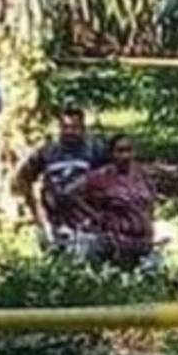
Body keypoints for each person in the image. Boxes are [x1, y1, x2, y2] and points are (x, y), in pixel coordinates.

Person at [11, 104, 108, 245]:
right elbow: (23, 178)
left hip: (87, 221)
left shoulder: (96, 150)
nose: (69, 132)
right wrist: (36, 210)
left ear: (83, 128)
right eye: (65, 127)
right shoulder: (47, 152)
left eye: (74, 127)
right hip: (53, 221)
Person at [64, 134, 160, 267]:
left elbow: (151, 198)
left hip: (144, 242)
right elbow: (71, 192)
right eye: (120, 151)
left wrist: (149, 220)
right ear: (111, 154)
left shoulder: (142, 174)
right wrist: (94, 215)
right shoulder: (102, 176)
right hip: (116, 242)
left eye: (129, 150)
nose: (125, 156)